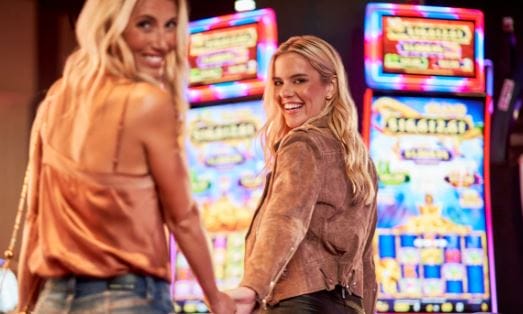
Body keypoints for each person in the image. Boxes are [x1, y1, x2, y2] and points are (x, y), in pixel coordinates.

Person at [16, 0, 235, 313]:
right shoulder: (148, 101)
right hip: (127, 297)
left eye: (171, 25)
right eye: (145, 24)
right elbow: (182, 217)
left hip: (53, 300)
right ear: (109, 26)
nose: (162, 41)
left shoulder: (54, 99)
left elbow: (33, 219)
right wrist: (216, 297)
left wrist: (25, 305)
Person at [226, 35, 378, 314]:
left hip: (298, 303)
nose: (285, 92)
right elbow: (366, 261)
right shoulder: (361, 160)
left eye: (299, 80)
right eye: (278, 82)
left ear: (330, 87)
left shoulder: (303, 144)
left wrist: (252, 287)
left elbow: (286, 219)